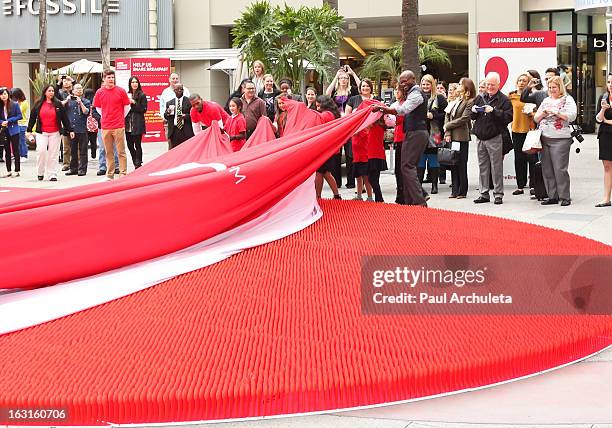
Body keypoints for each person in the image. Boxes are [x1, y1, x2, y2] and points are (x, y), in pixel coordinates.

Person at [373, 70, 430, 207]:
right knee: (408, 167)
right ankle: (411, 200)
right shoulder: (412, 93)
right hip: (414, 132)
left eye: (406, 81)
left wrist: (383, 109)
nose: (403, 83)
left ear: (414, 79)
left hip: (416, 133)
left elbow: (403, 110)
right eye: (401, 81)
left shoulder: (416, 94)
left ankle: (419, 201)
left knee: (407, 166)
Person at [534, 76, 577, 206]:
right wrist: (544, 114)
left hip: (561, 139)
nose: (552, 90)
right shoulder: (546, 100)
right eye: (550, 87)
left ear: (560, 88)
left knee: (560, 169)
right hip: (545, 137)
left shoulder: (567, 99)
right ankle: (552, 196)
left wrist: (557, 113)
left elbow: (572, 116)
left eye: (554, 87)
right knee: (547, 168)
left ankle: (564, 197)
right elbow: (536, 118)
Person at [471, 72, 513, 205]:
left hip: (495, 137)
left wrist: (493, 111)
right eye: (488, 84)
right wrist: (473, 111)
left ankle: (498, 194)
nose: (489, 87)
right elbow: (472, 117)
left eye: (492, 85)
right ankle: (483, 193)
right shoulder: (479, 97)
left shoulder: (504, 100)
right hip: (480, 137)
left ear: (498, 85)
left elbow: (508, 118)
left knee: (496, 167)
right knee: (482, 166)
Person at [26, 85, 71, 181]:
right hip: (41, 132)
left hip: (55, 132)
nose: (51, 92)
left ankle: (52, 174)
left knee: (53, 154)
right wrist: (29, 130)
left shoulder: (58, 104)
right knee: (41, 151)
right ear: (45, 92)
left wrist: (70, 130)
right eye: (49, 91)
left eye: (52, 91)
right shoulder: (38, 104)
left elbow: (65, 118)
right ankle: (40, 172)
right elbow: (32, 117)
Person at [326, 66, 360, 189]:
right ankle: (337, 181)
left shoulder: (352, 92)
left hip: (349, 124)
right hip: (337, 125)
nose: (343, 80)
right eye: (341, 78)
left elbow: (363, 87)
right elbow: (327, 93)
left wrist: (352, 73)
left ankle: (351, 181)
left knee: (350, 153)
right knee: (336, 153)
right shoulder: (334, 93)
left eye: (345, 78)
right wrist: (336, 76)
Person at [93, 69, 131, 180]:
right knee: (108, 151)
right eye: (108, 77)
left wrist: (119, 117)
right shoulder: (99, 92)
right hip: (105, 126)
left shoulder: (121, 91)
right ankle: (110, 174)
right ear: (104, 79)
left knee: (121, 151)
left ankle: (123, 173)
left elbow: (127, 107)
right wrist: (106, 116)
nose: (111, 79)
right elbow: (98, 108)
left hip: (118, 125)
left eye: (112, 77)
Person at [444, 77, 476, 199]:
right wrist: (447, 130)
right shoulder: (456, 100)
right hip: (451, 136)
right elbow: (447, 114)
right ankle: (454, 190)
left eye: (460, 84)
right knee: (453, 163)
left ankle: (462, 191)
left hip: (461, 137)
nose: (458, 86)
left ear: (466, 87)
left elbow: (464, 118)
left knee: (461, 164)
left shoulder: (470, 101)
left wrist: (447, 125)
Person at [346, 79, 377, 201]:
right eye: (363, 86)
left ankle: (370, 196)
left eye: (367, 86)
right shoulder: (354, 99)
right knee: (357, 172)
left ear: (371, 87)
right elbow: (347, 118)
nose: (365, 88)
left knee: (365, 172)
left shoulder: (375, 101)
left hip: (366, 139)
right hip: (355, 140)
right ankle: (359, 195)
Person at [418, 74, 447, 195]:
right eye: (423, 84)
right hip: (419, 133)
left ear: (432, 85)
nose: (425, 86)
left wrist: (433, 116)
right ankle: (418, 187)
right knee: (420, 159)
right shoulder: (417, 97)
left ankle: (434, 185)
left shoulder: (439, 98)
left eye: (428, 84)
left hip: (434, 134)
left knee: (433, 160)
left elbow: (446, 114)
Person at [509, 73, 537, 195]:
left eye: (524, 81)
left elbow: (538, 111)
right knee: (519, 159)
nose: (521, 82)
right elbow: (507, 111)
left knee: (531, 159)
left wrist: (532, 114)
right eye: (519, 80)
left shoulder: (532, 96)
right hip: (516, 130)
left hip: (530, 131)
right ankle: (520, 185)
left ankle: (533, 185)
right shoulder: (511, 96)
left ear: (528, 83)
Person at [313, 95, 341, 199]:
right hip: (331, 149)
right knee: (325, 173)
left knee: (320, 173)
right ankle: (336, 195)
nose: (316, 107)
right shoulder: (332, 114)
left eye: (318, 105)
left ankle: (318, 196)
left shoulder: (325, 115)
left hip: (325, 149)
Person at [64, 83, 91, 176]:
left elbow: (86, 112)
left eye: (80, 88)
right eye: (77, 89)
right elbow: (59, 107)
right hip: (72, 129)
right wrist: (66, 100)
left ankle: (82, 169)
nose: (79, 90)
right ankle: (73, 168)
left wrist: (80, 102)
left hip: (82, 129)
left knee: (83, 150)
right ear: (73, 91)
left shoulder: (86, 101)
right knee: (73, 150)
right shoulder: (69, 101)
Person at [160, 73, 190, 150]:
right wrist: (166, 113)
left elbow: (191, 112)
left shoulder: (186, 93)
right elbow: (162, 107)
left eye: (176, 78)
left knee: (186, 148)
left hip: (185, 127)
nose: (175, 80)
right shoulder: (166, 93)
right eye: (173, 78)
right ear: (169, 80)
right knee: (172, 147)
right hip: (172, 126)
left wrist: (185, 116)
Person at [595, 73, 612, 207]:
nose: (610, 85)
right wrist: (603, 110)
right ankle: (606, 198)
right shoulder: (604, 97)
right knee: (607, 166)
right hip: (605, 135)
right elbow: (598, 119)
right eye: (608, 82)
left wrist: (607, 121)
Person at [389, 84, 407, 204]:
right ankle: (400, 193)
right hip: (398, 137)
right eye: (395, 90)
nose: (396, 92)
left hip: (404, 137)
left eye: (398, 90)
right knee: (398, 169)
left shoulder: (404, 105)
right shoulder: (395, 104)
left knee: (403, 168)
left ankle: (404, 194)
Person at [125, 76, 148, 169]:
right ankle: (135, 160)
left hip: (137, 123)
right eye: (132, 82)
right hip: (127, 124)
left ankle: (138, 163)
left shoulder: (142, 95)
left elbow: (143, 109)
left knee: (137, 144)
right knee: (129, 145)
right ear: (130, 84)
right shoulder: (127, 94)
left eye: (136, 82)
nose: (134, 84)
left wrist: (134, 102)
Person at [0, 87, 23, 177]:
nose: (3, 96)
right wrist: (2, 122)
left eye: (5, 94)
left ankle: (17, 170)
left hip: (14, 129)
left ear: (8, 94)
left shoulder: (14, 104)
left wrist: (9, 120)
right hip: (4, 130)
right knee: (7, 150)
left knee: (16, 150)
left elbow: (19, 116)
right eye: (1, 94)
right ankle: (8, 170)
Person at [164, 84, 194, 149]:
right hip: (174, 131)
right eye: (177, 89)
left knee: (187, 150)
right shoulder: (169, 103)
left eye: (181, 89)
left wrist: (185, 116)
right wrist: (167, 112)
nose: (179, 91)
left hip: (185, 130)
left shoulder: (189, 101)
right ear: (174, 90)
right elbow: (166, 117)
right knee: (174, 151)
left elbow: (193, 115)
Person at [58, 75, 74, 171]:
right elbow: (57, 101)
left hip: (75, 121)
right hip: (65, 121)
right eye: (64, 81)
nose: (67, 82)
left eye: (68, 81)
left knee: (76, 146)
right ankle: (66, 164)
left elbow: (79, 88)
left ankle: (76, 162)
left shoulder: (75, 92)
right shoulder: (61, 94)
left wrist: (73, 79)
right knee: (66, 146)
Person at [10, 88, 29, 162]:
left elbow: (18, 112)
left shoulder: (24, 103)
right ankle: (17, 154)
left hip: (22, 123)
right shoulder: (15, 103)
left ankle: (24, 155)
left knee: (21, 140)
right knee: (16, 141)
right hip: (15, 123)